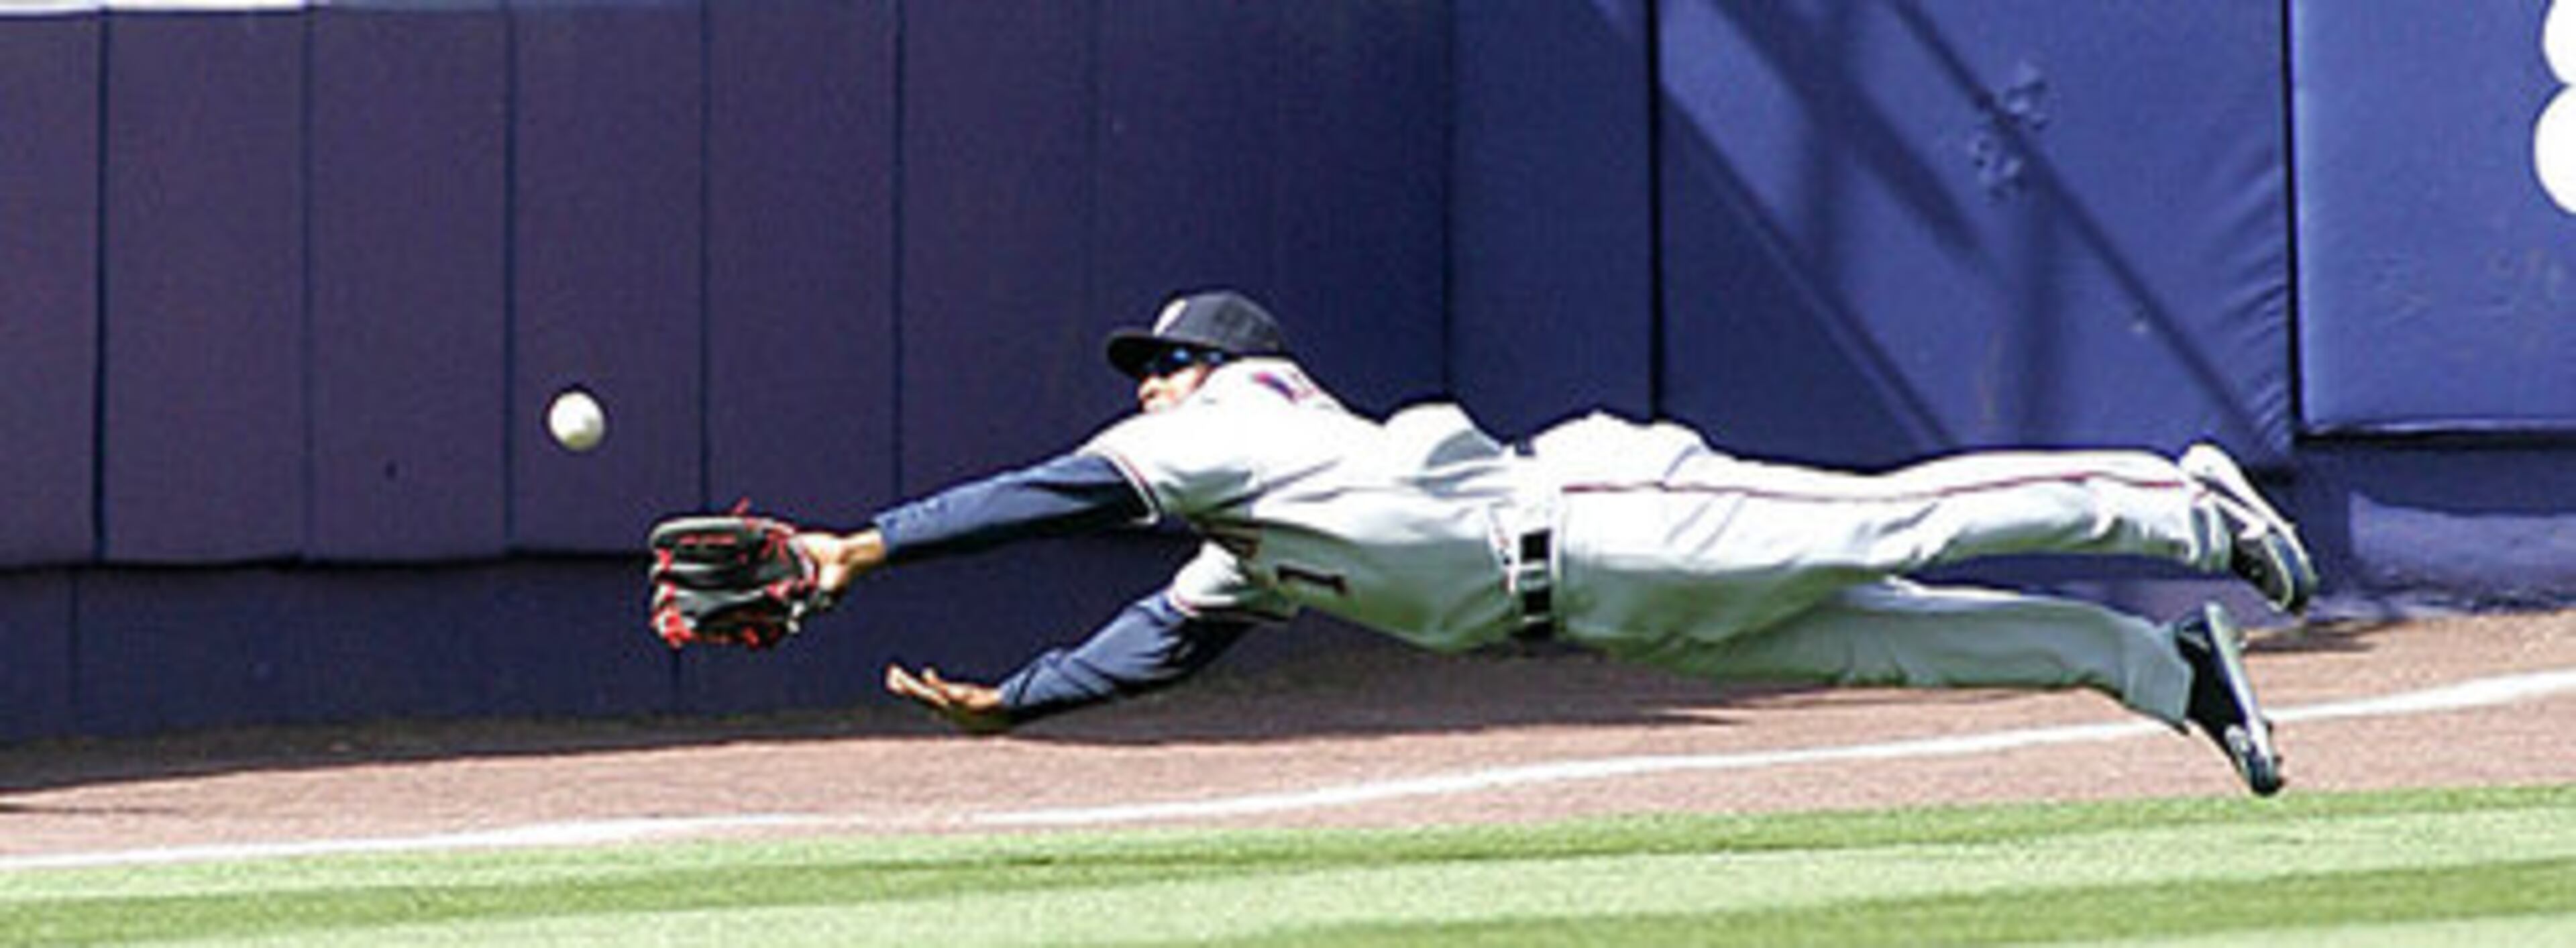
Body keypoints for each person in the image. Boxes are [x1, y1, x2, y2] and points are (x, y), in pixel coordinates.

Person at [794, 290, 2314, 795]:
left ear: (1227, 367)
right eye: (1148, 366)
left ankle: (2178, 505)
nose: (1147, 379)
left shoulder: (1234, 417)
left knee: (1887, 516)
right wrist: (1024, 697)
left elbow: (1046, 495)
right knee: (1906, 634)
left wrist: (862, 548)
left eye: (1162, 359)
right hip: (1612, 614)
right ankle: (2166, 667)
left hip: (1603, 516)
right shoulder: (1248, 530)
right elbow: (1162, 636)